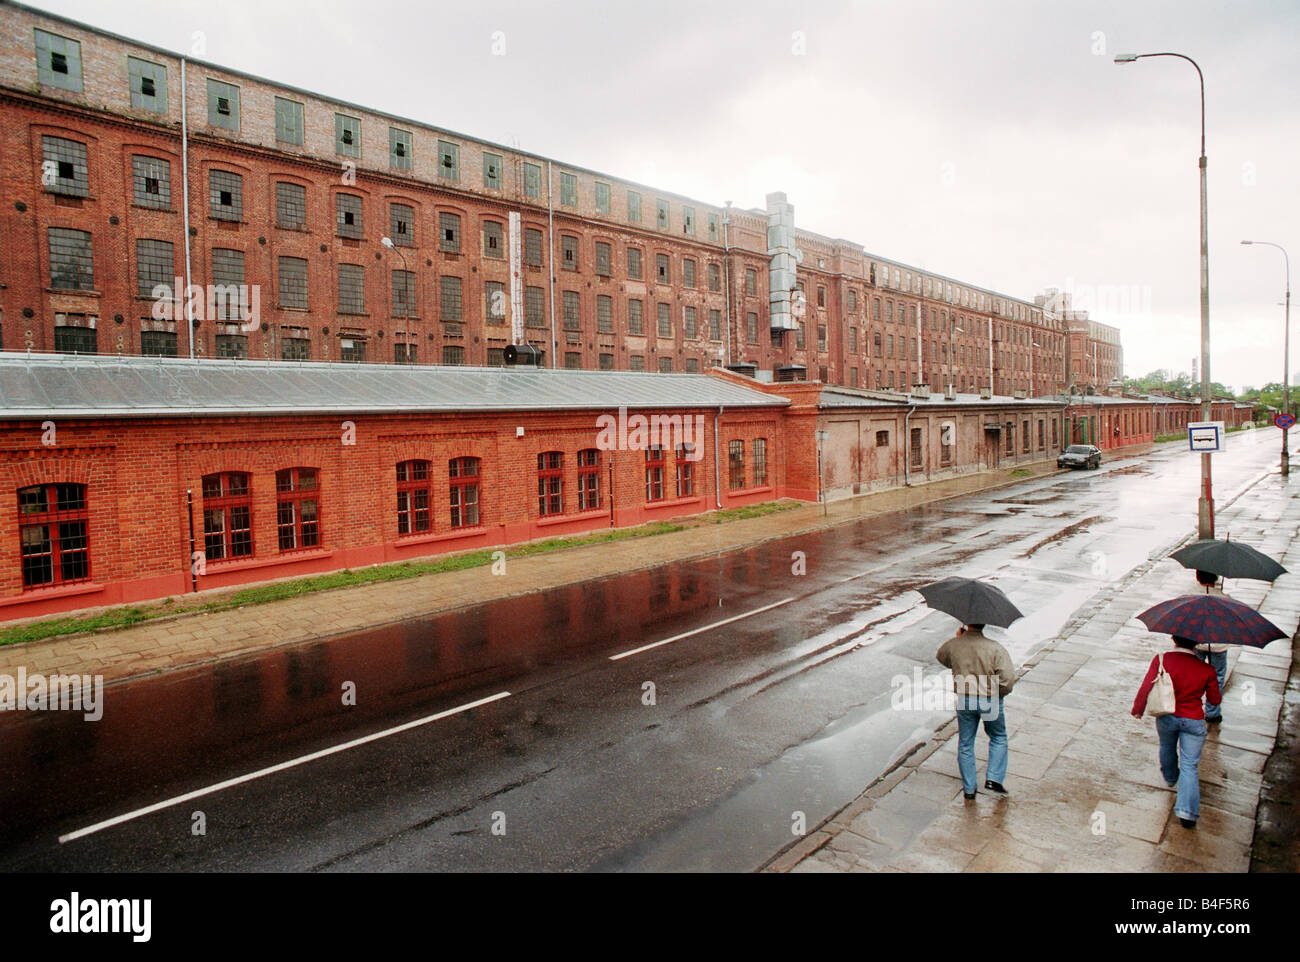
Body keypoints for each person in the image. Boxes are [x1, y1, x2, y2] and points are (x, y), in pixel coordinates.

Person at [1130, 635, 1222, 828]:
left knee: (1166, 747)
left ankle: (1171, 777)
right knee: (1190, 766)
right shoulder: (1206, 669)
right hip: (1193, 721)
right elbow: (1215, 700)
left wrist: (1138, 708)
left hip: (1167, 716)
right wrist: (1209, 677)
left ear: (1173, 638)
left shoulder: (1162, 659)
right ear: (1196, 643)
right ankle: (1187, 813)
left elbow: (1147, 685)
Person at [936, 624, 1017, 800]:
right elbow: (1007, 680)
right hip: (989, 699)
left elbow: (942, 657)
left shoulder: (954, 645)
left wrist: (959, 640)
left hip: (965, 698)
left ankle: (969, 789)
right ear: (984, 624)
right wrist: (998, 694)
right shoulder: (995, 648)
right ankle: (993, 778)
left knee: (966, 742)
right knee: (998, 737)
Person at [1193, 570, 1229, 723]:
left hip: (1198, 643)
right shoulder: (1226, 600)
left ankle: (1194, 709)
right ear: (1216, 578)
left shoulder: (1191, 598)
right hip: (1219, 645)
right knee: (1218, 677)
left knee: (1196, 677)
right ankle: (1213, 712)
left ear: (1198, 578)